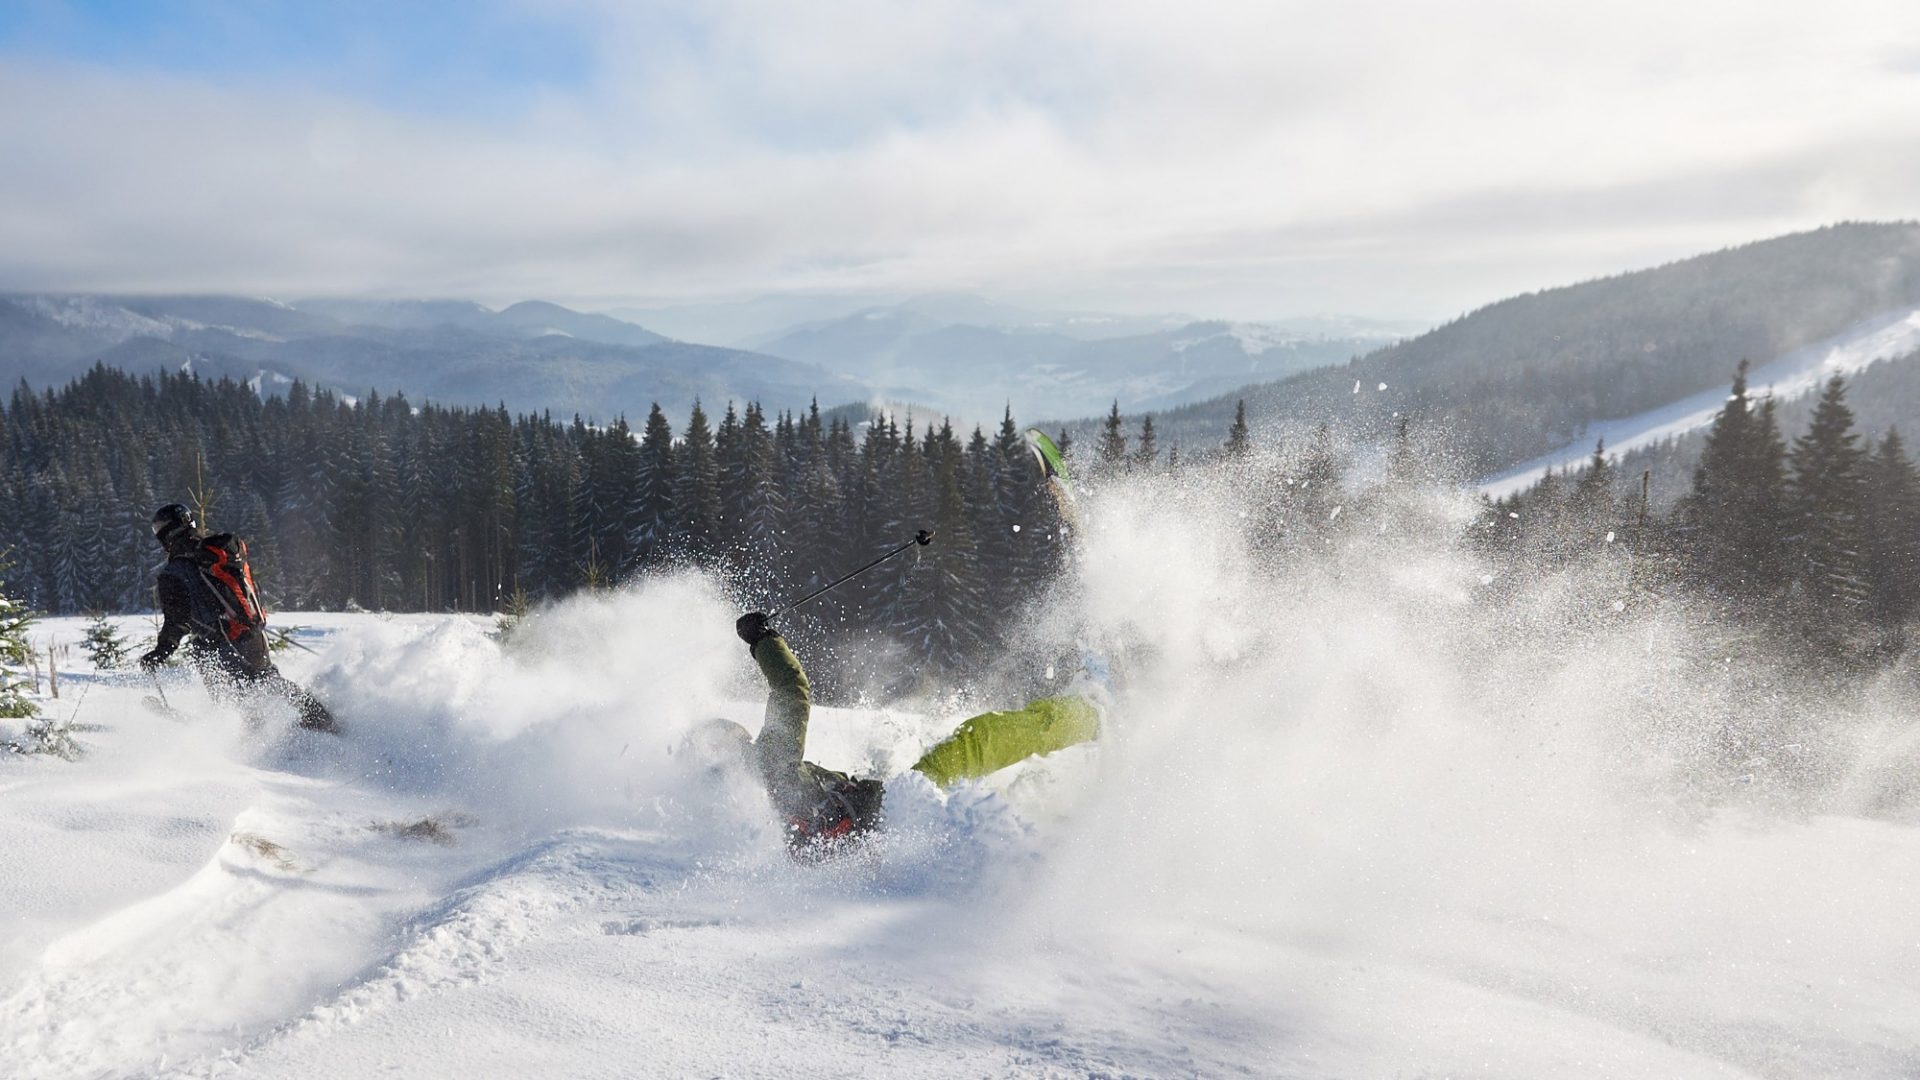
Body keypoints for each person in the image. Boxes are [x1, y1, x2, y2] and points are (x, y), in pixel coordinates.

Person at [712, 610, 1101, 853]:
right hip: (894, 817)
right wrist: (764, 640)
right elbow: (791, 690)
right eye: (736, 734)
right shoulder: (768, 768)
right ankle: (1090, 715)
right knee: (979, 739)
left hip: (885, 839)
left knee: (976, 787)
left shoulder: (742, 814)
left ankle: (1053, 814)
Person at [138, 503, 339, 733]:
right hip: (251, 632)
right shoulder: (217, 552)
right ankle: (322, 719)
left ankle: (250, 743)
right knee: (268, 681)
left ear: (167, 534)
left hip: (219, 645)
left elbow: (177, 620)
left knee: (238, 699)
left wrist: (161, 651)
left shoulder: (174, 573)